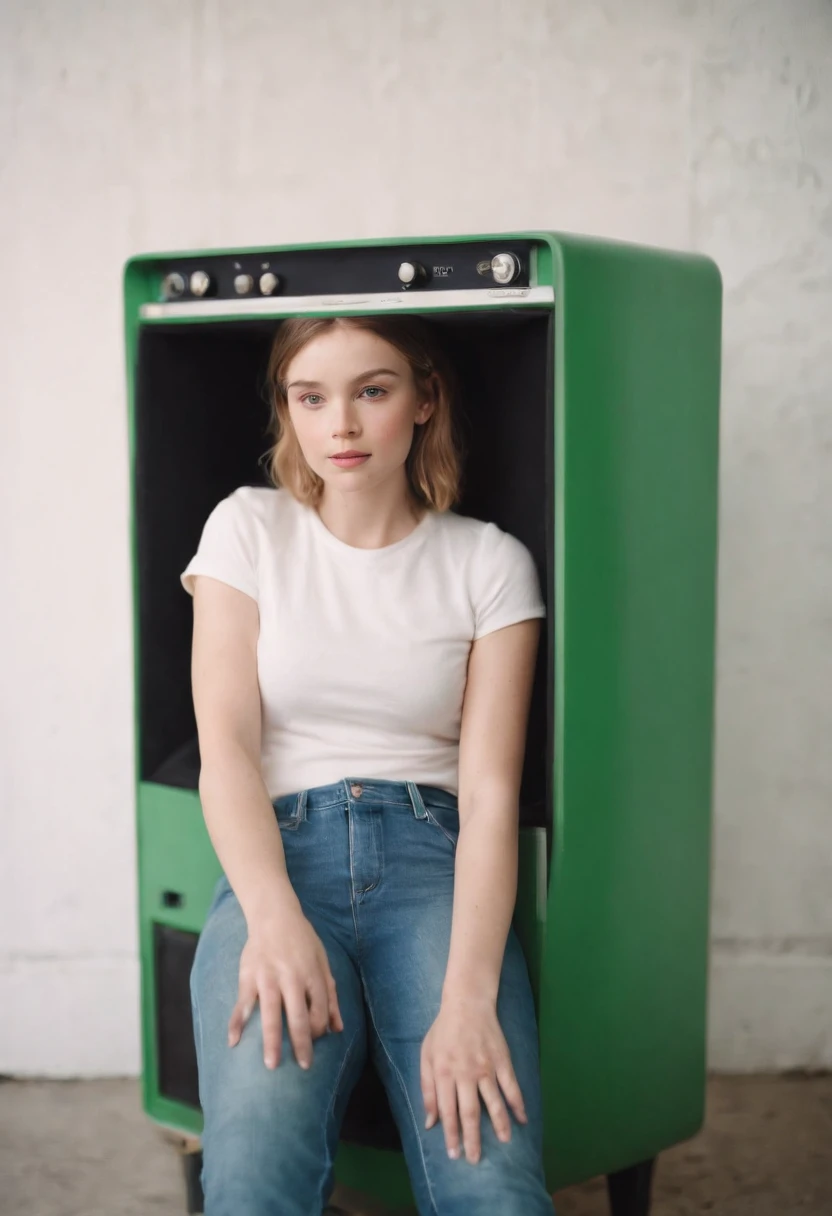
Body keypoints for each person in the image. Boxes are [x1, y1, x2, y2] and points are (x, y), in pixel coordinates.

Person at [181, 313, 553, 1216]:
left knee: (492, 1183)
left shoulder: (490, 563)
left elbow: (492, 793)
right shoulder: (247, 528)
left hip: (434, 862)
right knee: (253, 1177)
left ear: (425, 400)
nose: (340, 424)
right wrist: (270, 921)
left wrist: (467, 1000)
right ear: (289, 412)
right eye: (312, 397)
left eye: (372, 392)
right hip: (282, 857)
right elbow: (223, 746)